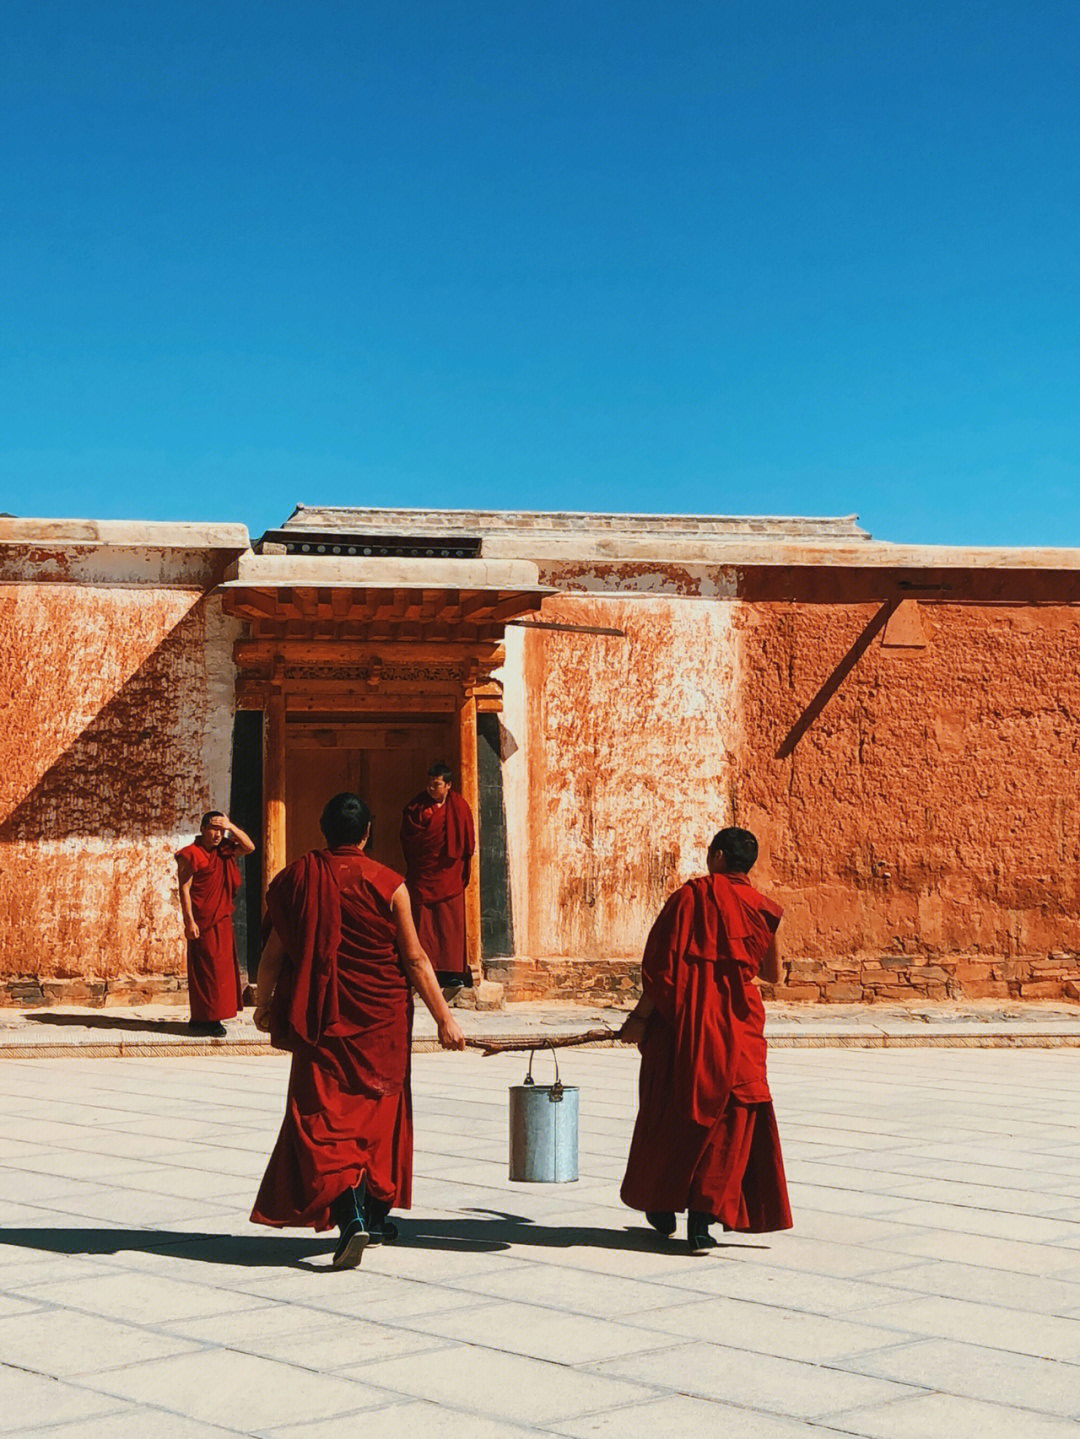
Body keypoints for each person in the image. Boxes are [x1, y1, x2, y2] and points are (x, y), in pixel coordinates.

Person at [251, 792, 467, 1270]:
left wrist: (262, 1005)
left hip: (322, 1019)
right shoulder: (390, 884)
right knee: (378, 1113)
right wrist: (445, 1019)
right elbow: (414, 958)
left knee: (325, 1117)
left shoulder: (297, 880)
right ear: (367, 832)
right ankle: (366, 1210)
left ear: (324, 829)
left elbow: (272, 955)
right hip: (381, 1021)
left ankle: (355, 1213)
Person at [619, 826, 793, 1254]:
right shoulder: (763, 908)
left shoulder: (688, 898)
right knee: (730, 1119)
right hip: (738, 1025)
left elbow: (662, 974)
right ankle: (702, 1219)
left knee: (670, 1111)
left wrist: (638, 1020)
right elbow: (772, 974)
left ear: (716, 856)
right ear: (746, 865)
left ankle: (661, 1204)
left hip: (686, 1022)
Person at [175, 812, 255, 1037]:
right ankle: (207, 1019)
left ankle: (207, 1017)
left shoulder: (225, 850)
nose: (218, 834)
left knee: (221, 970)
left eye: (221, 830)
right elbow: (185, 888)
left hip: (221, 918)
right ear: (202, 828)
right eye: (213, 829)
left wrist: (231, 825)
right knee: (207, 971)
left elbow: (249, 847)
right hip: (202, 920)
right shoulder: (191, 854)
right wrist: (188, 921)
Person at [400, 763, 476, 997]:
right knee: (423, 923)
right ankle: (422, 969)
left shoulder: (459, 807)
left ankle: (451, 972)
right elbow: (408, 838)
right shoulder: (416, 807)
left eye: (437, 784)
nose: (431, 787)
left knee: (449, 924)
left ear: (448, 785)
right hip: (424, 874)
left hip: (449, 874)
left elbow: (468, 843)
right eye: (430, 783)